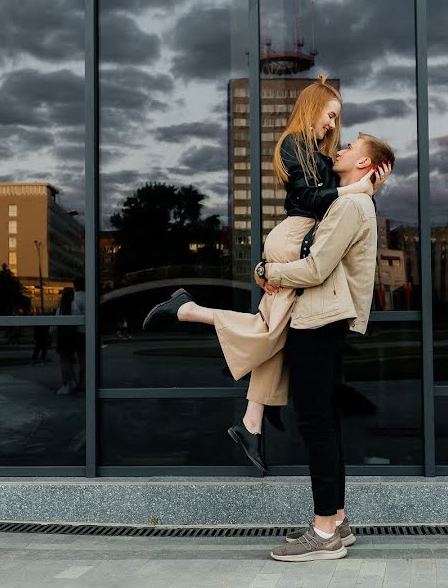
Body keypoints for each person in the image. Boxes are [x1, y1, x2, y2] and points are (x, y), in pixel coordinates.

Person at [142, 76, 391, 470]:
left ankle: (253, 421)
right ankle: (187, 310)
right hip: (294, 238)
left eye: (336, 120)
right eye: (330, 116)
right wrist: (358, 191)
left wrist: (366, 184)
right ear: (313, 108)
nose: (332, 126)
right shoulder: (293, 145)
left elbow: (341, 189)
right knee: (270, 328)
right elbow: (312, 199)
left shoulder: (318, 154)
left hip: (301, 237)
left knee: (278, 331)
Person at [259, 135, 396, 562]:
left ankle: (323, 535)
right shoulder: (358, 203)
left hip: (317, 322)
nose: (340, 148)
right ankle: (335, 520)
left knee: (315, 424)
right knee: (327, 423)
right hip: (327, 322)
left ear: (366, 162)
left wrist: (271, 271)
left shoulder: (350, 206)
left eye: (351, 146)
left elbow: (317, 267)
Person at [54, 287, 78, 395]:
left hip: (62, 336)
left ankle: (65, 385)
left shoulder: (61, 308)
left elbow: (54, 325)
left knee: (64, 361)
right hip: (72, 336)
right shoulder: (74, 307)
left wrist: (54, 337)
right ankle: (73, 381)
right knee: (69, 360)